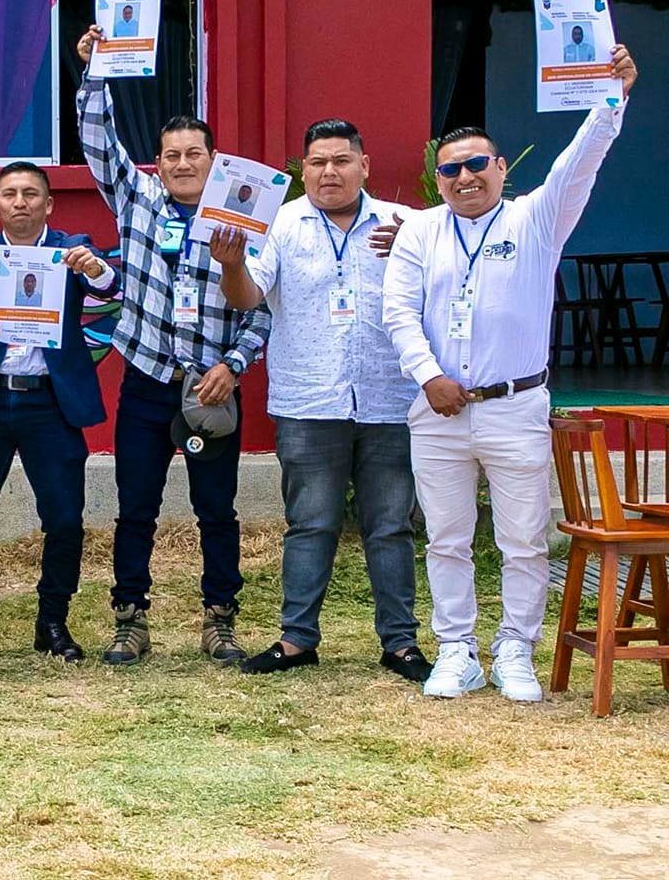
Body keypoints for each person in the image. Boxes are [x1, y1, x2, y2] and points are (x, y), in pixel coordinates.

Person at [383, 45, 638, 702]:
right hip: (438, 409)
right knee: (446, 538)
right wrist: (428, 377)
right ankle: (457, 650)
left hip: (514, 406)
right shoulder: (420, 231)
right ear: (437, 178)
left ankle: (516, 648)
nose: (464, 177)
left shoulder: (535, 219)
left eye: (476, 165)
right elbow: (398, 312)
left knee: (523, 539)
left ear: (500, 169)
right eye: (450, 169)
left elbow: (576, 165)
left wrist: (610, 101)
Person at [76, 24, 270, 666]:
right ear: (157, 163)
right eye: (171, 155)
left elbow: (263, 311)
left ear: (213, 161)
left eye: (194, 154)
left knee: (216, 510)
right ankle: (130, 619)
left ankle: (220, 620)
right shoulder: (137, 200)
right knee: (136, 508)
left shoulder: (242, 217)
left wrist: (233, 366)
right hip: (147, 384)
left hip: (211, 390)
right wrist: (97, 70)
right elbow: (98, 140)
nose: (182, 164)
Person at [211, 119, 428, 683]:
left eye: (341, 160)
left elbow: (441, 289)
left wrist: (418, 255)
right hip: (309, 400)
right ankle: (297, 639)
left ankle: (401, 643)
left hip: (390, 399)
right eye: (317, 162)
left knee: (392, 526)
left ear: (364, 166)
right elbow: (247, 298)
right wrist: (231, 264)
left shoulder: (405, 225)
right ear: (302, 170)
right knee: (309, 525)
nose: (329, 172)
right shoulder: (280, 224)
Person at [0, 162, 115, 665]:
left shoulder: (72, 248)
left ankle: (52, 621)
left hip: (50, 402)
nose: (21, 202)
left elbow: (108, 288)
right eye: (11, 194)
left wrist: (95, 269)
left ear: (48, 203)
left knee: (64, 519)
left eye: (31, 193)